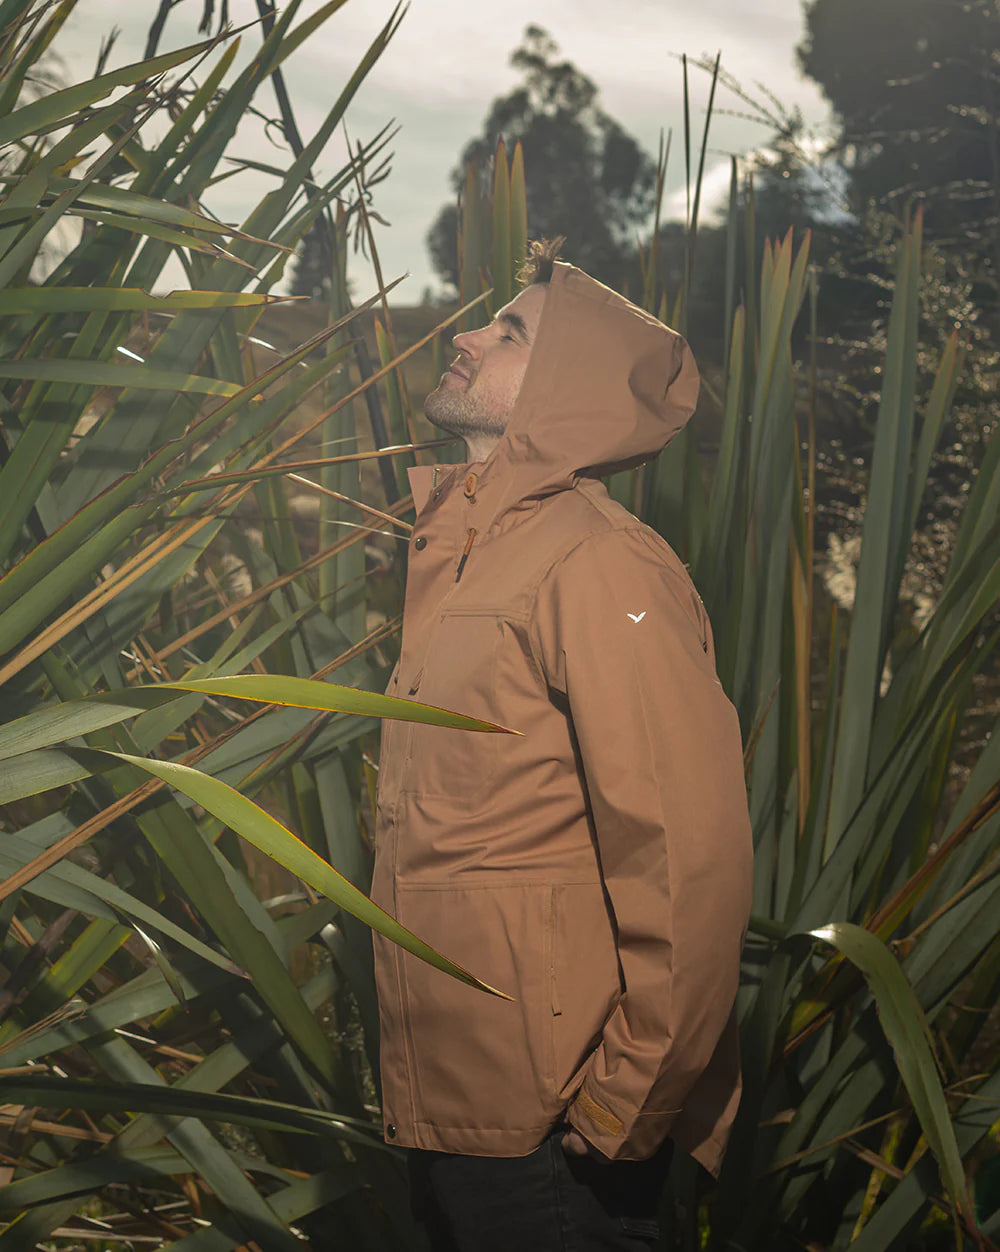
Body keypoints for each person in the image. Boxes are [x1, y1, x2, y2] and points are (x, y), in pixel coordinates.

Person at [369, 238, 754, 1251]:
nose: (465, 335)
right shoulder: (468, 557)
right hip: (454, 1105)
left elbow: (684, 856)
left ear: (565, 387)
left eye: (507, 332)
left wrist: (627, 1101)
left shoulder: (600, 563)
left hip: (556, 1129)